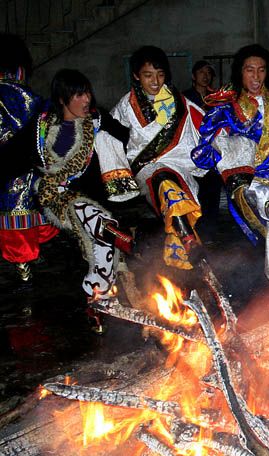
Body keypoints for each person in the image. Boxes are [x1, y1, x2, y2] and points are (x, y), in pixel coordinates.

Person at [192, 44, 269, 284]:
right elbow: (206, 148)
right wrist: (227, 146)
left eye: (262, 70)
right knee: (258, 239)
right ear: (240, 72)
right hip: (247, 182)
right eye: (250, 70)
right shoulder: (226, 106)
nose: (256, 77)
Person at [33, 69, 136, 332]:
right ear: (62, 99)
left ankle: (98, 300)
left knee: (102, 240)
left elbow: (126, 137)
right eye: (78, 95)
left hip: (86, 199)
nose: (86, 99)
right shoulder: (42, 126)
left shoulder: (94, 123)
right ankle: (107, 235)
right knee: (96, 220)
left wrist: (105, 121)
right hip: (53, 196)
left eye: (87, 92)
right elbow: (16, 156)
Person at [111, 45, 205, 270]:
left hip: (178, 164)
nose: (155, 81)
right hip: (146, 168)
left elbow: (204, 126)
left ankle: (184, 245)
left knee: (168, 178)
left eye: (160, 74)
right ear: (136, 75)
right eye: (148, 75)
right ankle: (188, 239)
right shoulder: (125, 107)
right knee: (163, 180)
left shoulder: (180, 103)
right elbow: (111, 140)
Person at [0, 33, 59, 282]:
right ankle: (26, 262)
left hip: (11, 164)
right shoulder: (24, 94)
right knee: (27, 206)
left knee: (17, 208)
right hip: (24, 163)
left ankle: (24, 264)